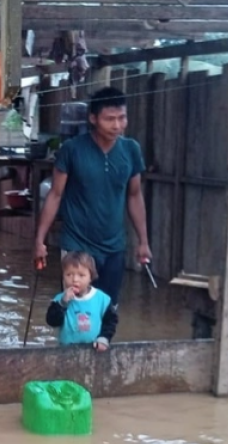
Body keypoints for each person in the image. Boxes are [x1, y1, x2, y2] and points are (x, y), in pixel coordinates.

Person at [34, 86, 152, 311]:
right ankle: (71, 348)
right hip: (77, 245)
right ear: (93, 118)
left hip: (114, 245)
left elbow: (135, 195)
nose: (117, 125)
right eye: (109, 119)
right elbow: (55, 195)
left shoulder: (131, 150)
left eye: (122, 118)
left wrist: (143, 241)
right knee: (76, 311)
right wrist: (39, 240)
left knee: (108, 311)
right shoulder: (72, 149)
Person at [46, 251, 117, 352]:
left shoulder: (102, 300)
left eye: (81, 275)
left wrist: (104, 338)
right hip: (65, 352)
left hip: (94, 351)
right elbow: (52, 321)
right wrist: (62, 303)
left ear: (90, 277)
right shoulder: (59, 299)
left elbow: (111, 322)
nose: (75, 279)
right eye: (69, 275)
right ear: (63, 276)